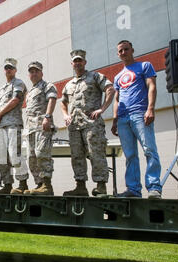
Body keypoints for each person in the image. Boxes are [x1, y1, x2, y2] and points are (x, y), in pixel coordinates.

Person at [111, 40, 162, 199]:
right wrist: (114, 120)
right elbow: (117, 99)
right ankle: (133, 190)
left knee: (149, 150)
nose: (123, 52)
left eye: (126, 49)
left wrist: (150, 109)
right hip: (123, 119)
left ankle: (154, 188)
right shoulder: (118, 76)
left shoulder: (145, 66)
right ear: (118, 54)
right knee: (130, 155)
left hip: (140, 114)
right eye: (120, 51)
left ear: (132, 49)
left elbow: (152, 86)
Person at [61, 50, 115, 197]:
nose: (77, 63)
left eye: (80, 60)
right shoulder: (69, 84)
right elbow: (63, 102)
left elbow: (110, 90)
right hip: (74, 126)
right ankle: (80, 187)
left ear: (85, 62)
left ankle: (101, 187)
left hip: (92, 124)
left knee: (95, 153)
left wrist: (102, 109)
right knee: (77, 156)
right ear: (72, 64)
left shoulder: (95, 77)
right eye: (75, 61)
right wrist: (66, 115)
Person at [0, 58, 29, 194]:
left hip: (13, 124)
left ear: (15, 70)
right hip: (0, 126)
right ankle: (7, 184)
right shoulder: (2, 89)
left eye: (11, 68)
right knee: (0, 157)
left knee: (15, 154)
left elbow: (15, 100)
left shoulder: (18, 83)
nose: (8, 70)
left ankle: (22, 183)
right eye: (6, 68)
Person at [24, 61, 58, 195]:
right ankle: (39, 185)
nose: (34, 73)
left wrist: (47, 117)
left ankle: (47, 186)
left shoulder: (47, 85)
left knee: (42, 154)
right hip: (31, 129)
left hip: (42, 127)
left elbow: (52, 99)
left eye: (36, 71)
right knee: (31, 159)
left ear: (41, 73)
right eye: (31, 71)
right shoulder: (30, 91)